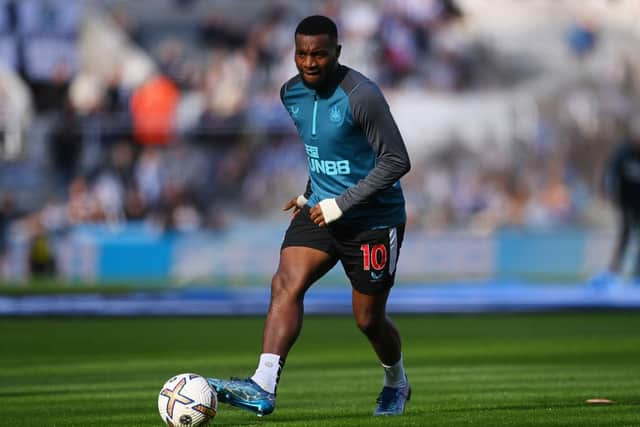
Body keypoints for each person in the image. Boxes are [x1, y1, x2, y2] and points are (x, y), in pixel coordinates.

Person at [207, 15, 412, 417]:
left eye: (319, 54)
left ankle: (396, 382)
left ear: (337, 52)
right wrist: (308, 194)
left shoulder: (362, 95)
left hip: (373, 219)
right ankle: (263, 385)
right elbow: (323, 153)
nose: (310, 62)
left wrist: (342, 203)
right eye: (302, 54)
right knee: (286, 281)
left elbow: (397, 160)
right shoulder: (290, 94)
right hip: (319, 210)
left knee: (368, 320)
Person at [591, 131, 640, 289]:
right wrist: (607, 190)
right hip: (625, 202)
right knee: (625, 235)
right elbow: (610, 172)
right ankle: (614, 271)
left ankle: (637, 274)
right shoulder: (623, 153)